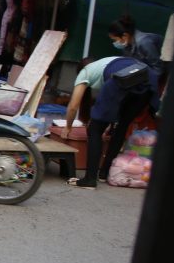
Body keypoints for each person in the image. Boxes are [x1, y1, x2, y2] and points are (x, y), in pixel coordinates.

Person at [60, 56, 159, 189]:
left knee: (94, 130)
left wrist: (68, 126)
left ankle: (89, 179)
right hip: (148, 80)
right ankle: (104, 173)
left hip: (124, 80)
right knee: (122, 126)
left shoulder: (86, 72)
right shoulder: (109, 61)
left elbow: (73, 106)